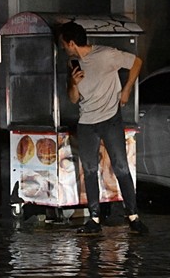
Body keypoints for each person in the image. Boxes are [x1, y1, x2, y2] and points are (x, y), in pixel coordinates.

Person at [56, 21, 147, 234]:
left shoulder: (106, 54)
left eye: (64, 44)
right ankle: (94, 219)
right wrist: (73, 83)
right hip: (87, 123)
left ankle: (133, 217)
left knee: (121, 167)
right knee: (89, 170)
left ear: (71, 42)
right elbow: (73, 99)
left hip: (110, 119)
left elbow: (136, 62)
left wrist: (127, 89)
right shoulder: (73, 63)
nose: (63, 47)